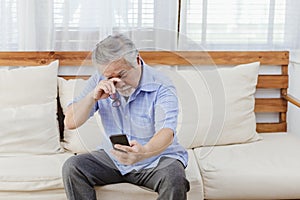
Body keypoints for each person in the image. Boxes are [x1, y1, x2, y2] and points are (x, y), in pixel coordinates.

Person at [62, 33, 190, 200]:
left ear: (137, 61)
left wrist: (143, 152)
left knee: (174, 176)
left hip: (155, 159)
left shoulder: (162, 86)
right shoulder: (99, 80)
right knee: (73, 167)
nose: (118, 83)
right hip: (114, 158)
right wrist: (92, 97)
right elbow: (70, 122)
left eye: (122, 75)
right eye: (110, 77)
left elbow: (166, 130)